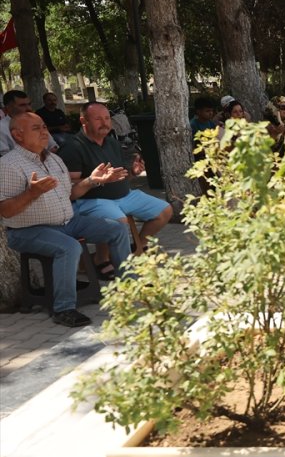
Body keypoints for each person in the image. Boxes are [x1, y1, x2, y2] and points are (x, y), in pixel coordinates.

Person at [0, 112, 131, 327]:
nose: (44, 131)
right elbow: (5, 210)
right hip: (27, 231)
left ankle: (130, 284)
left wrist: (92, 181)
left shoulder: (54, 159)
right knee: (69, 247)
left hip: (68, 222)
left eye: (44, 126)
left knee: (116, 229)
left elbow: (69, 194)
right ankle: (64, 309)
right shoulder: (8, 164)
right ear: (17, 135)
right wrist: (31, 193)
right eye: (36, 128)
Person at [59, 101, 173, 266]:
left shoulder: (111, 142)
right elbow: (68, 188)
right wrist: (95, 181)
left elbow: (119, 176)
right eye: (98, 119)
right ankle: (105, 260)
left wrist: (132, 172)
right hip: (92, 200)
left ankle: (136, 249)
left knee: (164, 210)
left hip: (124, 195)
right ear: (84, 121)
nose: (105, 123)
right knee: (118, 222)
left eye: (107, 118)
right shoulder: (73, 147)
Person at [2, 90, 57, 156]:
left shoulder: (37, 121)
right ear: (8, 108)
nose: (29, 108)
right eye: (22, 105)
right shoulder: (2, 128)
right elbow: (4, 156)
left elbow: (53, 146)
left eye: (29, 104)